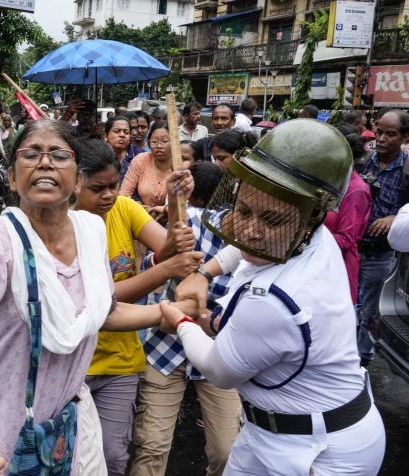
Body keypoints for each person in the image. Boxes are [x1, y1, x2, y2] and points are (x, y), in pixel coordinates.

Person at [0, 119, 196, 472]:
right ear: (12, 178)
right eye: (31, 154)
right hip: (0, 422)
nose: (45, 162)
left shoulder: (91, 231)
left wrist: (168, 313)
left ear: (76, 180)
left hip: (72, 419)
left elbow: (101, 312)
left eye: (59, 154)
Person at [164, 119, 386, 475]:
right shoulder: (308, 237)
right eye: (244, 210)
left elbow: (219, 371)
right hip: (277, 429)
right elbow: (247, 249)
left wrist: (182, 320)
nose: (251, 230)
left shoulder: (273, 301)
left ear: (309, 218)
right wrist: (204, 273)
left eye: (271, 218)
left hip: (319, 451)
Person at [75, 138, 201, 475]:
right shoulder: (59, 226)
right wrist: (164, 272)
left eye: (113, 185)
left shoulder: (124, 209)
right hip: (74, 364)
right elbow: (101, 303)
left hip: (120, 360)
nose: (108, 196)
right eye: (96, 188)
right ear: (73, 184)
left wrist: (176, 201)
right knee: (75, 454)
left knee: (114, 456)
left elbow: (171, 247)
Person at [132, 161, 242, 476]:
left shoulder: (264, 249)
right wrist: (173, 197)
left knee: (227, 452)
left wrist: (199, 310)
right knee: (151, 447)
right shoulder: (191, 221)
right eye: (243, 210)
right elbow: (151, 266)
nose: (251, 224)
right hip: (167, 351)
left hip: (219, 356)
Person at [356, 110, 409, 366]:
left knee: (369, 309)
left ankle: (362, 359)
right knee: (346, 305)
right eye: (379, 132)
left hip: (381, 255)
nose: (382, 138)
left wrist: (393, 219)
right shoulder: (364, 159)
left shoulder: (407, 169)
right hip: (351, 248)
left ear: (404, 137)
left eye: (391, 134)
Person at [324, 124, 372, 305]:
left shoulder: (355, 190)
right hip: (320, 264)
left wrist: (306, 237)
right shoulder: (330, 182)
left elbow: (346, 239)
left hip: (338, 268)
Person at [121, 121, 173, 211]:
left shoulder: (180, 164)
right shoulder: (140, 160)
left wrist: (164, 210)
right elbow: (124, 194)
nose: (159, 146)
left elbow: (185, 204)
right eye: (154, 141)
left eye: (165, 141)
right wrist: (138, 207)